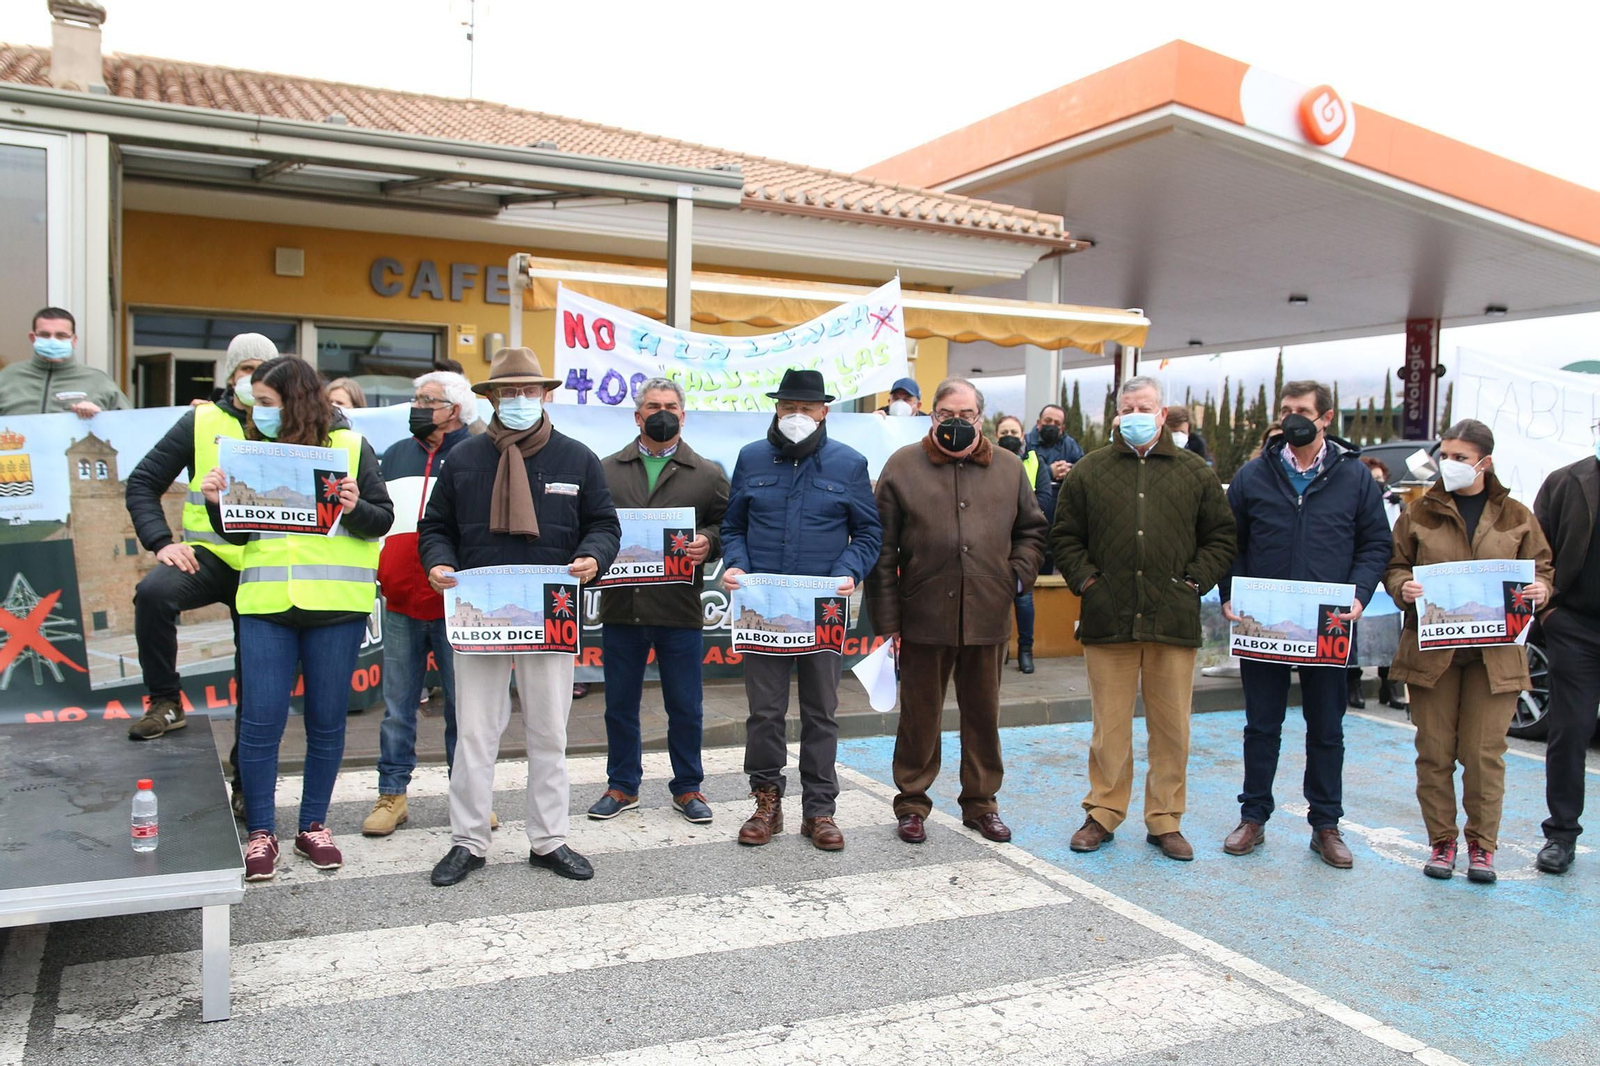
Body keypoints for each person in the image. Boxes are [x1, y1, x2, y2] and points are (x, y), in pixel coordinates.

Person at [420, 347, 620, 887]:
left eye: (529, 391)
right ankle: (468, 840)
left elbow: (604, 524)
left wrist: (593, 556)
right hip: (479, 613)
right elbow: (435, 527)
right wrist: (438, 562)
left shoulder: (577, 458)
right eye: (508, 392)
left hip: (551, 611)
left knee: (549, 730)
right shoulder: (463, 459)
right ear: (491, 398)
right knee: (474, 733)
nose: (519, 399)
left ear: (545, 394)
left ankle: (549, 839)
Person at [199, 356, 393, 882]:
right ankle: (261, 832)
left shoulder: (350, 446)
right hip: (266, 606)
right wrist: (217, 504)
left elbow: (382, 519)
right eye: (255, 403)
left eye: (266, 402)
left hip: (336, 606)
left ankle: (313, 826)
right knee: (260, 723)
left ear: (294, 400)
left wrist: (354, 506)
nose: (257, 411)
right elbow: (240, 532)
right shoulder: (247, 449)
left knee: (326, 722)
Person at [1051, 376, 1236, 862]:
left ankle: (1165, 819)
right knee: (1108, 728)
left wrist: (1193, 583)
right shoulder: (1089, 471)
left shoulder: (1195, 473)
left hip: (1172, 618)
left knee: (1172, 728)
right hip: (1107, 617)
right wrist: (1089, 583)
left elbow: (1221, 537)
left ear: (1162, 413)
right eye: (1128, 407)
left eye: (1145, 407)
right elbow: (1065, 537)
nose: (1136, 415)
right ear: (1117, 414)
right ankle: (1103, 812)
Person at [1220, 380, 1391, 869]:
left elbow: (1376, 543)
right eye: (1286, 409)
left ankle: (1326, 825)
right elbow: (1231, 541)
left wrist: (1359, 594)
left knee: (1327, 727)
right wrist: (1230, 591)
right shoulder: (1254, 474)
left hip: (1329, 620)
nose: (1292, 417)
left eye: (1302, 410)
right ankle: (1253, 817)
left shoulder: (1355, 477)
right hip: (1264, 621)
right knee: (1261, 725)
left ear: (1325, 418)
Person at [869, 378, 1046, 845]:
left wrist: (1014, 578)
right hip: (923, 615)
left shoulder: (1009, 468)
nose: (956, 422)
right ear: (932, 416)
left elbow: (1032, 531)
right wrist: (888, 623)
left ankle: (982, 804)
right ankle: (912, 803)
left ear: (980, 418)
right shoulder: (902, 466)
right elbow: (882, 550)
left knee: (983, 715)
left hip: (988, 614)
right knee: (919, 716)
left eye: (966, 415)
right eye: (947, 414)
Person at [1384, 419, 1552, 884]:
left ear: (1485, 462)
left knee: (1483, 755)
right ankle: (1442, 842)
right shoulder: (1419, 512)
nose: (1449, 464)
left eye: (1460, 457)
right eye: (1446, 456)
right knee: (1434, 752)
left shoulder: (1516, 515)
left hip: (1494, 658)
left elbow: (1542, 567)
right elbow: (1395, 565)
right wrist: (1403, 586)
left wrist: (1541, 589)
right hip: (1432, 654)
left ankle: (1482, 846)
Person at [722, 368, 881, 851]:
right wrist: (736, 563)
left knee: (821, 711)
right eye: (788, 406)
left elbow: (868, 533)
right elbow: (733, 526)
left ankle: (820, 810)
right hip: (762, 607)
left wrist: (849, 570)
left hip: (822, 609)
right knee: (765, 713)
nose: (797, 415)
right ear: (776, 409)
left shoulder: (849, 464)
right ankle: (766, 803)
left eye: (806, 408)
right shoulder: (751, 458)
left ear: (824, 411)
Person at [125, 333, 276, 750]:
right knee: (153, 595)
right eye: (246, 370)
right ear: (231, 376)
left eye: (263, 371)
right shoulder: (200, 421)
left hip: (266, 563)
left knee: (254, 672)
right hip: (208, 557)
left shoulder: (294, 424)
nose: (254, 380)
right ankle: (165, 701)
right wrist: (161, 543)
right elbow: (143, 482)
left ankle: (247, 768)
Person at [589, 378, 729, 823]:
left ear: (683, 416)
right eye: (653, 406)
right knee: (619, 705)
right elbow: (592, 525)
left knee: (685, 706)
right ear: (638, 416)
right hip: (622, 608)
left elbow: (727, 525)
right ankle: (622, 786)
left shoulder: (707, 474)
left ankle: (688, 788)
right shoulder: (606, 470)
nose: (662, 413)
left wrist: (709, 541)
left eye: (670, 406)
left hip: (679, 609)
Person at [360, 370, 476, 836]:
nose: (417, 407)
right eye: (416, 398)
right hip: (402, 599)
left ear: (454, 409)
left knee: (464, 710)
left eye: (427, 399)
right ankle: (392, 795)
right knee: (397, 708)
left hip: (457, 602)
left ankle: (468, 797)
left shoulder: (477, 454)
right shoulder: (395, 454)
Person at [1530, 426, 1600, 875]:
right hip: (1575, 628)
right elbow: (1538, 551)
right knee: (1570, 732)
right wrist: (1549, 612)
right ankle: (1561, 835)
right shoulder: (1566, 482)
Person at [1350, 456, 1408, 712]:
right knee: (1358, 632)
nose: (1379, 484)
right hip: (1361, 575)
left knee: (1389, 631)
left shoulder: (1393, 504)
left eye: (1381, 479)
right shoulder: (1355, 501)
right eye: (1373, 480)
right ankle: (1353, 682)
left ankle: (1389, 684)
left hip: (1386, 580)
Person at [0, 307, 131, 417]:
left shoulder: (99, 381)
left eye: (61, 336)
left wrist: (101, 417)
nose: (52, 341)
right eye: (45, 335)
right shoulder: (7, 377)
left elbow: (128, 427)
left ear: (74, 340)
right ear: (33, 338)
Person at [994, 415, 1042, 673]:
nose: (1009, 436)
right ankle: (998, 651)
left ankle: (1025, 650)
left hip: (1020, 542)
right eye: (1004, 432)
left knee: (1023, 601)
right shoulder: (988, 463)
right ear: (996, 435)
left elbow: (1044, 500)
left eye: (1014, 432)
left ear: (1023, 435)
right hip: (994, 542)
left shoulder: (1035, 462)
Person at [1026, 404, 1084, 553]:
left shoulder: (1071, 445)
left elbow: (1083, 471)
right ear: (1039, 423)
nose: (1052, 425)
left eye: (1057, 423)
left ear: (1062, 428)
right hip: (1032, 513)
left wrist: (1070, 472)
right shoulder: (1026, 443)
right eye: (1048, 421)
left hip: (1061, 517)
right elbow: (1021, 473)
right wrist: (1048, 472)